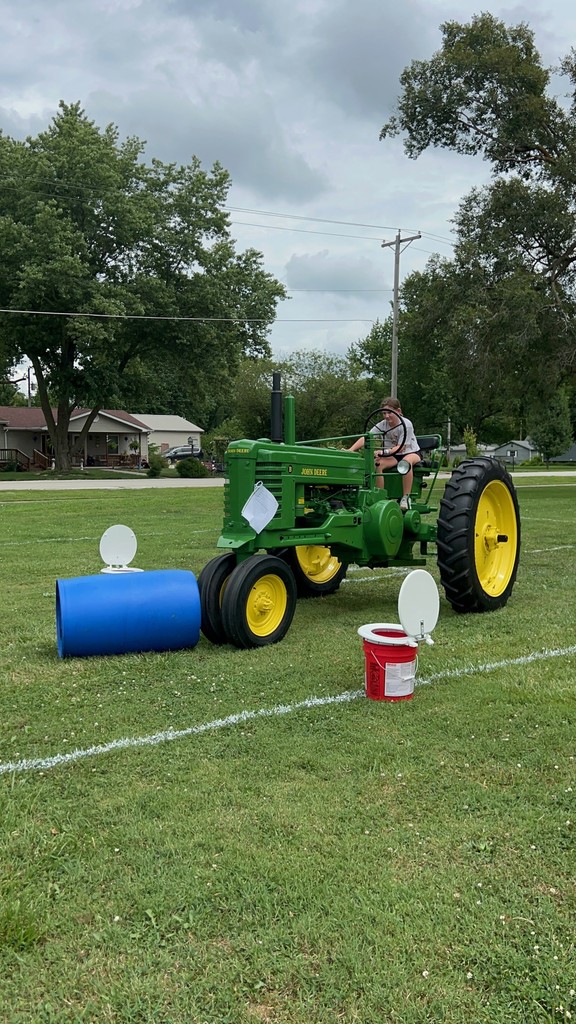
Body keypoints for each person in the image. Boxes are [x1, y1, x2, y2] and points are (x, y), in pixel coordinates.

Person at [348, 397, 421, 509]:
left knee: (406, 463)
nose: (387, 416)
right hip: (393, 455)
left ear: (398, 411)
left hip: (410, 452)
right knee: (377, 463)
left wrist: (383, 451)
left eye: (389, 413)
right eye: (384, 413)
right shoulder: (383, 424)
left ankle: (406, 498)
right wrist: (350, 450)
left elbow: (401, 448)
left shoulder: (406, 424)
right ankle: (380, 497)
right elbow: (367, 437)